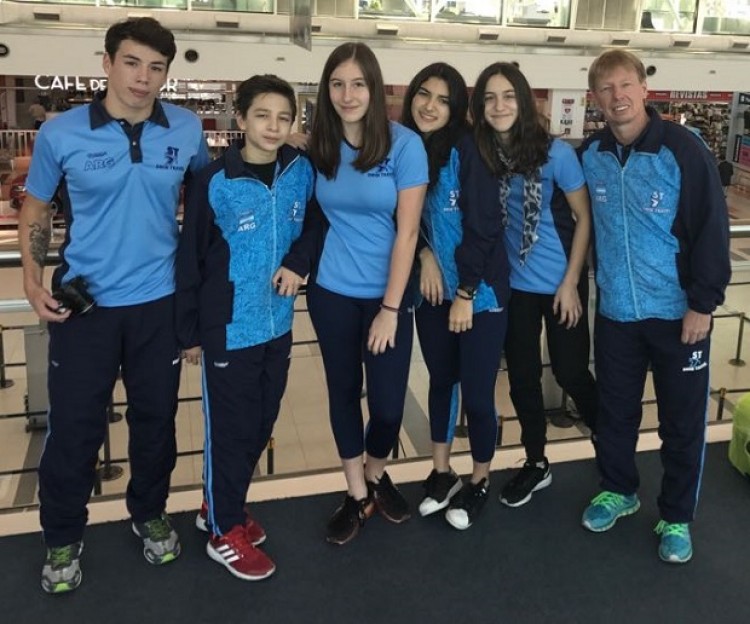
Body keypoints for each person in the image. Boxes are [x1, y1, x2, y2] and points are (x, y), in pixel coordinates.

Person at [19, 17, 210, 594]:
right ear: (106, 63)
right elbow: (36, 208)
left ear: (166, 74)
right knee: (74, 429)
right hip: (85, 309)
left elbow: (212, 202)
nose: (142, 78)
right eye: (131, 63)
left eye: (156, 68)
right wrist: (31, 278)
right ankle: (61, 536)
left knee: (155, 424)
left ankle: (149, 513)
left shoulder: (186, 129)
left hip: (159, 306)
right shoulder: (61, 134)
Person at [578, 50, 731, 564]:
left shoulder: (682, 150)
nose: (617, 96)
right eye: (606, 88)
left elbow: (711, 227)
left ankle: (676, 516)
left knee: (681, 424)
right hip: (617, 315)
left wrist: (703, 304)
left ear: (644, 88)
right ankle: (618, 489)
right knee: (614, 415)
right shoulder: (591, 154)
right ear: (595, 98)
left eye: (626, 84)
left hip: (678, 315)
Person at [175, 74, 317, 581]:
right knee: (230, 431)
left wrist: (299, 261)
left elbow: (316, 224)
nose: (273, 126)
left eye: (284, 117)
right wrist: (190, 333)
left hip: (277, 323)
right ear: (241, 119)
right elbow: (190, 259)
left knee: (261, 422)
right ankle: (223, 530)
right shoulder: (214, 181)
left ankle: (221, 503)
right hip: (228, 328)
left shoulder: (301, 170)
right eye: (262, 115)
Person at [307, 42, 428, 545]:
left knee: (388, 407)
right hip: (331, 292)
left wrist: (390, 308)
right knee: (342, 392)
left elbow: (408, 232)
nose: (347, 94)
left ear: (374, 88)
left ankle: (376, 473)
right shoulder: (320, 145)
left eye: (358, 84)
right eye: (337, 84)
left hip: (387, 297)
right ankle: (357, 492)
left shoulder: (404, 146)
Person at [470, 62, 597, 509]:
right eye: (489, 97)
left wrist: (571, 282)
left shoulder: (555, 154)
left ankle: (609, 441)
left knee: (571, 371)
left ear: (523, 101)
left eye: (508, 96)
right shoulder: (482, 154)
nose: (499, 105)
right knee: (522, 378)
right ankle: (536, 461)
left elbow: (584, 218)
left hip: (561, 284)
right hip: (515, 287)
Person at [401, 63, 510, 529]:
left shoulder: (470, 148)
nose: (430, 106)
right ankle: (442, 472)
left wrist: (465, 290)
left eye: (443, 100)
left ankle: (480, 479)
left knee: (479, 395)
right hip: (433, 292)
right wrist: (424, 255)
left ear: (457, 107)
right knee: (441, 381)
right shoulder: (405, 148)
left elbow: (485, 227)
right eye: (424, 94)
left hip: (478, 294)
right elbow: (397, 217)